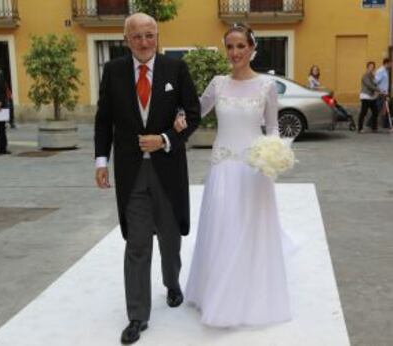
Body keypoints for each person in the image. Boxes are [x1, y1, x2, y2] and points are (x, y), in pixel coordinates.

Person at [94, 13, 200, 345]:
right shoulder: (112, 72)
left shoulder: (175, 69)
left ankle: (172, 282)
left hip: (168, 171)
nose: (144, 42)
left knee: (170, 238)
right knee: (137, 243)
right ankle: (137, 315)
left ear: (157, 36)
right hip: (131, 173)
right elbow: (104, 120)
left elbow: (193, 114)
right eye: (137, 36)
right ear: (126, 40)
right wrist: (101, 160)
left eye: (149, 35)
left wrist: (166, 139)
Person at [176, 23, 292, 327]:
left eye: (241, 46)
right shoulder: (218, 84)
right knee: (223, 229)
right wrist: (174, 121)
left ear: (252, 49)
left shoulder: (267, 86)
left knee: (249, 231)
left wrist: (274, 154)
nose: (235, 52)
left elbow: (274, 127)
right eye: (230, 46)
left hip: (254, 170)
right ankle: (216, 293)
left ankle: (247, 293)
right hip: (223, 167)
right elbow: (194, 113)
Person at [358, 61, 380, 133]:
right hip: (365, 96)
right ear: (367, 67)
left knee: (375, 111)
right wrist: (378, 89)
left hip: (371, 96)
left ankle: (374, 128)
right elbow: (369, 85)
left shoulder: (372, 76)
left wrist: (375, 78)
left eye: (373, 67)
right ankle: (360, 128)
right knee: (364, 112)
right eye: (370, 66)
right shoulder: (365, 76)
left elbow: (375, 83)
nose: (372, 68)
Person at [374, 58, 391, 129]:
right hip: (381, 94)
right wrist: (380, 91)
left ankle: (386, 125)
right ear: (386, 63)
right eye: (391, 63)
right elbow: (375, 81)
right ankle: (370, 123)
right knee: (377, 109)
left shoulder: (385, 71)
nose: (391, 65)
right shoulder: (380, 71)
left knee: (385, 109)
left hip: (384, 93)